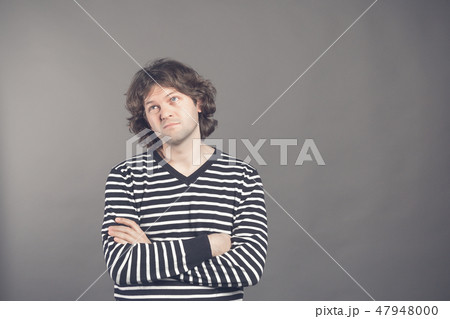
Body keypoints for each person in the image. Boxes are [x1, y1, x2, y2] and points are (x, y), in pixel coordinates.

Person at [101, 58, 268, 301]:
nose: (165, 112)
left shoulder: (242, 176)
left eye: (173, 99)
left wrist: (150, 256)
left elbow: (247, 269)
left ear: (198, 102)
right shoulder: (125, 177)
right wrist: (210, 245)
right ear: (146, 119)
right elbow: (125, 267)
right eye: (153, 107)